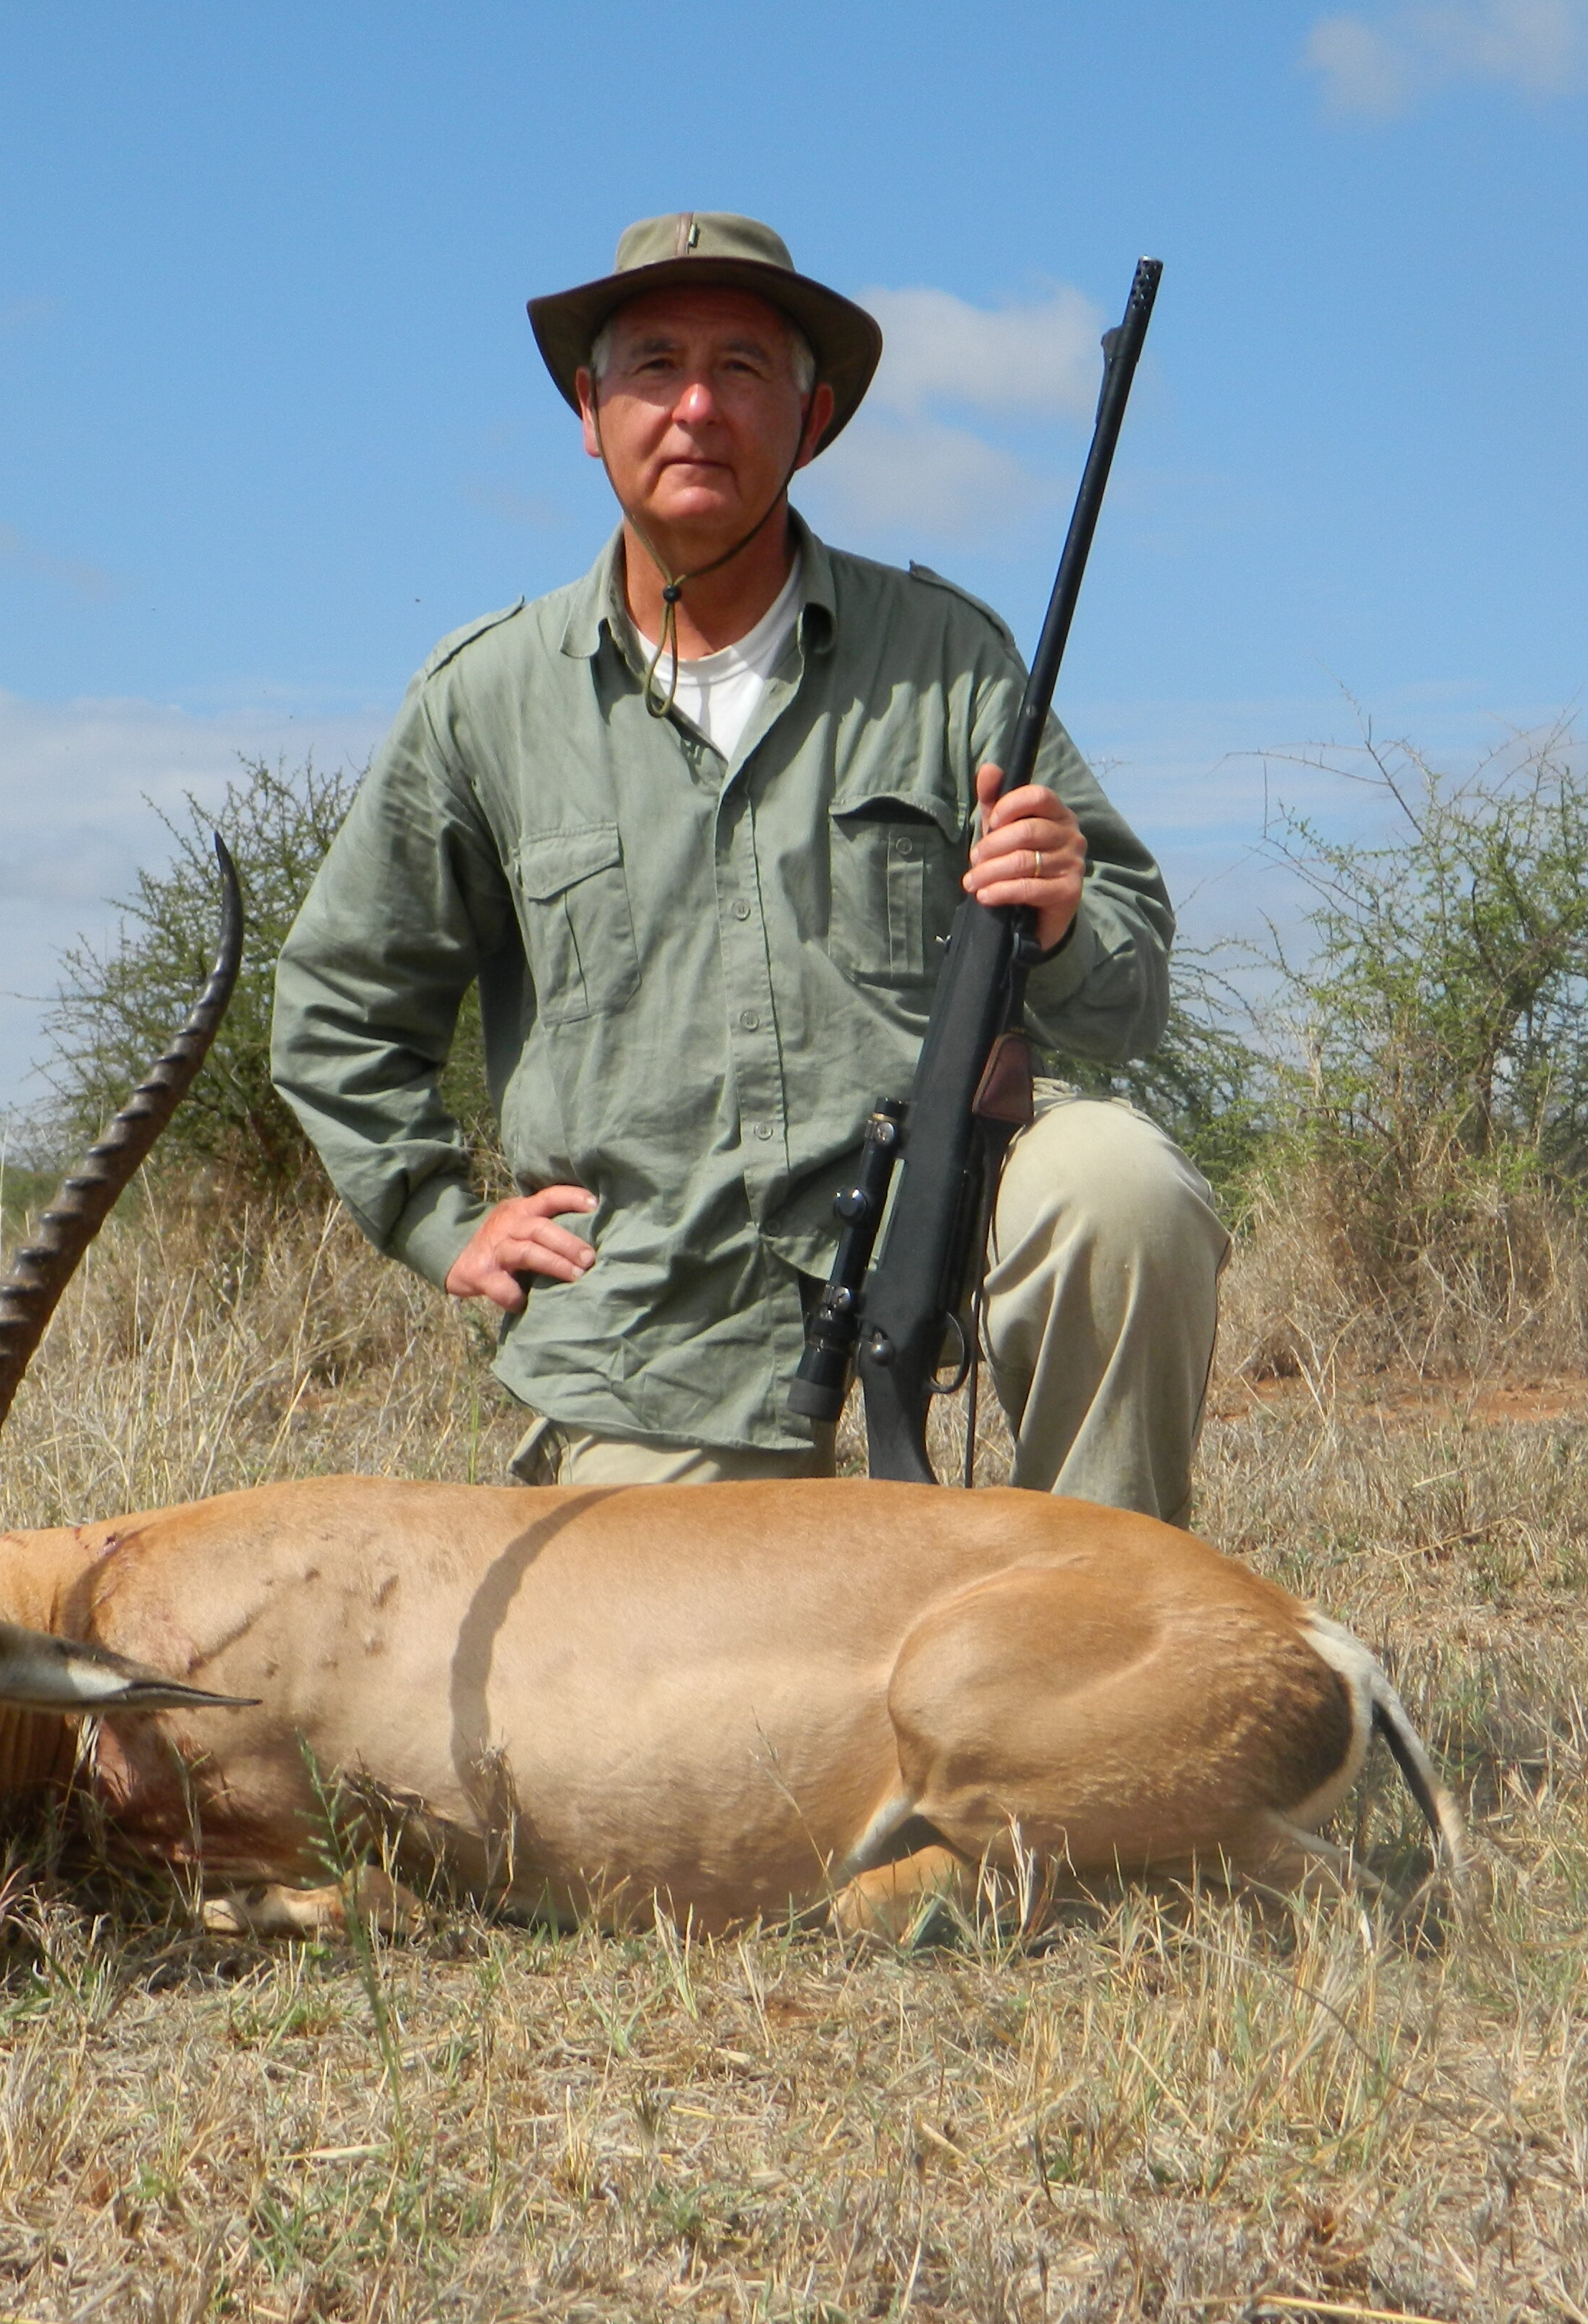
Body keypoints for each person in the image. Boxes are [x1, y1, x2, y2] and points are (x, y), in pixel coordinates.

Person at [271, 212, 1226, 1521]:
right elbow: (335, 1014)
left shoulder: (952, 661)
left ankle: (1102, 1644)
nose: (699, 407)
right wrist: (445, 1224)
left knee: (1123, 1189)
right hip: (659, 1323)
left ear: (815, 416)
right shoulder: (481, 698)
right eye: (655, 365)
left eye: (745, 369)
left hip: (944, 1224)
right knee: (686, 1722)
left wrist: (1062, 921)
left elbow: (1128, 994)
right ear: (587, 408)